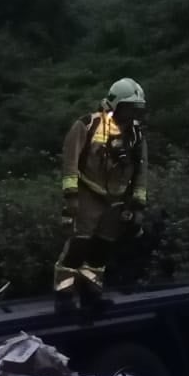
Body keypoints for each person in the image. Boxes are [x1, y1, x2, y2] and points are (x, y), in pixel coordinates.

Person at [54, 78, 148, 314]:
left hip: (117, 201)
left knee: (101, 249)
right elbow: (70, 162)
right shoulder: (88, 125)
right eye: (128, 107)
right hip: (89, 193)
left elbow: (141, 170)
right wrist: (71, 196)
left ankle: (91, 293)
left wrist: (137, 204)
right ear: (116, 104)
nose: (132, 113)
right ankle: (64, 295)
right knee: (79, 244)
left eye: (136, 108)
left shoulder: (136, 135)